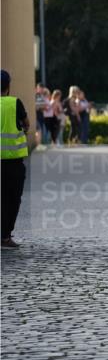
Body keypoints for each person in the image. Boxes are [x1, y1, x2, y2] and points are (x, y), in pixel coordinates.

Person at [1, 69, 30, 249]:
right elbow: (26, 124)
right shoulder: (15, 103)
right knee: (12, 199)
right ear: (8, 86)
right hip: (13, 163)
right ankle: (5, 237)